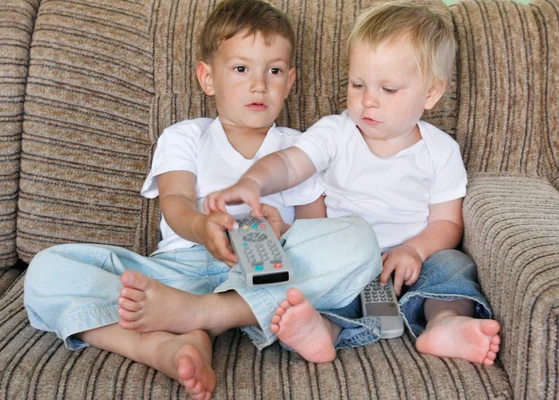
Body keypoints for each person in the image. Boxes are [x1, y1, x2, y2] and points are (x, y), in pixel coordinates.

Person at [23, 1, 382, 399]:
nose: (259, 84)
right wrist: (202, 227)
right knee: (45, 270)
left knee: (360, 240)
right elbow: (175, 203)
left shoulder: (300, 148)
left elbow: (318, 229)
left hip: (263, 276)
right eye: (241, 69)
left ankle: (206, 316)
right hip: (176, 272)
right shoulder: (185, 136)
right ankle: (160, 345)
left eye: (274, 70)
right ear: (207, 77)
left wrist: (284, 231)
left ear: (291, 81)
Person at [204, 1, 502, 366]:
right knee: (308, 288)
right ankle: (323, 331)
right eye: (357, 84)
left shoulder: (441, 151)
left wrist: (415, 251)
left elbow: (447, 222)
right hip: (346, 269)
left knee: (453, 266)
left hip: (411, 268)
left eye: (389, 89)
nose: (367, 100)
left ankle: (445, 323)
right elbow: (290, 163)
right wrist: (254, 181)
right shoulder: (335, 132)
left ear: (430, 94)